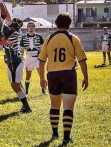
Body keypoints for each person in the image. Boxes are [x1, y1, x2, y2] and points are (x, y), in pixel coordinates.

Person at [38, 13, 89, 145]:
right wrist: (86, 78)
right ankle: (66, 137)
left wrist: (42, 78)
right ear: (69, 24)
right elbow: (82, 60)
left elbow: (42, 60)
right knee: (68, 107)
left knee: (54, 105)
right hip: (68, 74)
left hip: (53, 75)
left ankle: (54, 133)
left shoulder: (49, 39)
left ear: (56, 23)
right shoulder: (73, 38)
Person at [0, 3, 31, 113]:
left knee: (15, 85)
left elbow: (0, 21)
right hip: (10, 60)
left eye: (12, 22)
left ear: (14, 24)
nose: (10, 22)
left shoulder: (12, 31)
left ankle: (27, 106)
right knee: (14, 84)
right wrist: (1, 4)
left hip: (16, 60)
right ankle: (25, 104)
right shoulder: (13, 31)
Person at [20, 21, 47, 95]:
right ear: (27, 28)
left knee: (41, 74)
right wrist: (21, 58)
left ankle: (43, 90)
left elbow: (43, 48)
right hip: (29, 57)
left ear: (35, 28)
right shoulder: (23, 37)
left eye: (32, 26)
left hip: (38, 58)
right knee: (28, 75)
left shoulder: (39, 36)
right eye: (29, 26)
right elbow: (22, 49)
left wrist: (43, 57)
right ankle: (26, 91)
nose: (31, 28)